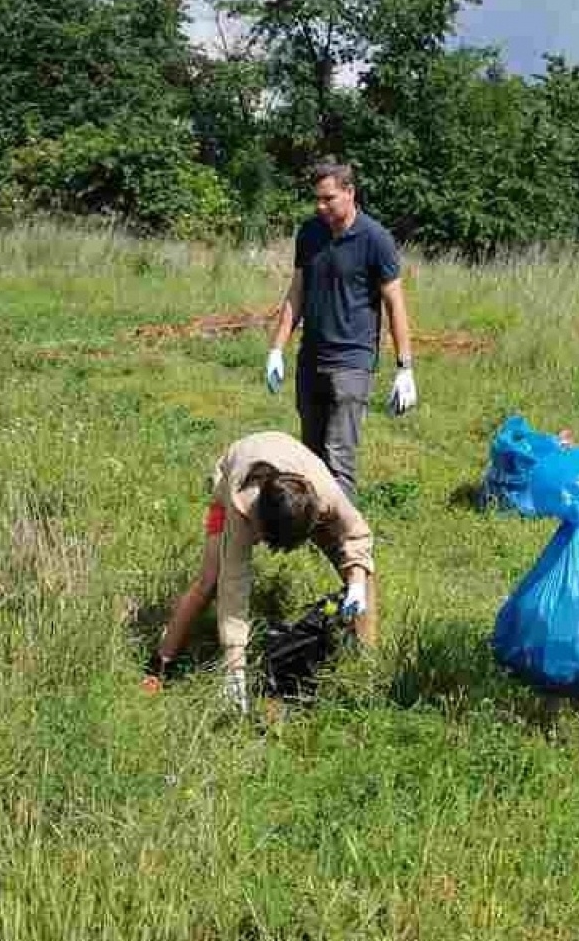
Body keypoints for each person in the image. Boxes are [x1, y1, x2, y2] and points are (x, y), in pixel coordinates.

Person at [142, 432, 376, 714]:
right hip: (229, 483)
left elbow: (357, 533)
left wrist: (357, 583)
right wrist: (234, 666)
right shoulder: (241, 506)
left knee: (364, 573)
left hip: (297, 491)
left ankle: (366, 665)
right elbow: (234, 588)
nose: (261, 543)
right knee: (211, 580)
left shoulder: (323, 495)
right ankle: (160, 665)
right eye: (263, 537)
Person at [264, 162, 417, 499]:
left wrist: (404, 368)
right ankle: (312, 528)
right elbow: (297, 292)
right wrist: (277, 348)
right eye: (316, 199)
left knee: (338, 459)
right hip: (311, 358)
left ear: (350, 193)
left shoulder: (376, 239)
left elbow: (395, 303)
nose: (321, 206)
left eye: (328, 199)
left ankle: (345, 540)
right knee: (310, 454)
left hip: (352, 362)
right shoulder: (310, 233)